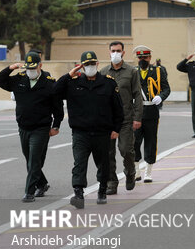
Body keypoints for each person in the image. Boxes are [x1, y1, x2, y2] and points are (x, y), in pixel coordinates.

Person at [55, 51, 123, 209]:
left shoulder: (108, 83)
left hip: (102, 132)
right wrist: (68, 75)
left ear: (97, 64)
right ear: (81, 66)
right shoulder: (73, 83)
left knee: (103, 163)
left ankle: (102, 190)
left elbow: (118, 109)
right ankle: (78, 193)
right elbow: (54, 92)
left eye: (92, 64)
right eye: (86, 64)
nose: (90, 67)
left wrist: (116, 128)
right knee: (79, 163)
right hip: (81, 132)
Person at [0, 51, 63, 202]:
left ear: (40, 65)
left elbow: (58, 109)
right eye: (28, 68)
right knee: (30, 159)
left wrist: (56, 126)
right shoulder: (19, 80)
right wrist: (12, 67)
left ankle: (29, 192)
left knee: (34, 160)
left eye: (34, 68)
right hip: (24, 127)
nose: (31, 71)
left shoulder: (50, 83)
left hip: (41, 128)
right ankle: (43, 184)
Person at [100, 41, 143, 194]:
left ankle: (130, 173)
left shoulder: (132, 71)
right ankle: (111, 182)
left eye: (118, 50)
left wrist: (137, 117)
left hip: (126, 119)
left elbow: (137, 95)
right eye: (113, 51)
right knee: (108, 153)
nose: (115, 53)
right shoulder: (103, 72)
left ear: (123, 52)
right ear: (109, 52)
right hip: (108, 121)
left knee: (126, 150)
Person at [133, 45, 171, 182]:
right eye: (140, 57)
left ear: (150, 58)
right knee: (134, 142)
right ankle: (136, 170)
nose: (142, 59)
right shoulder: (133, 71)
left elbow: (166, 89)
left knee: (151, 142)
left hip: (151, 112)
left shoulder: (158, 71)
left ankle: (148, 172)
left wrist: (161, 96)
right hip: (136, 112)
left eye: (145, 57)